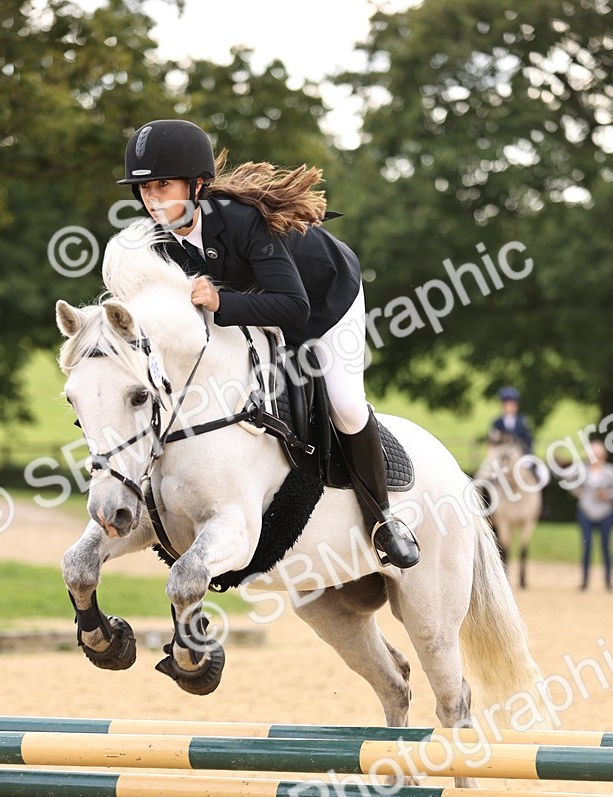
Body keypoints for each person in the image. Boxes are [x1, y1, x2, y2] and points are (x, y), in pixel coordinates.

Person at [117, 118, 419, 569]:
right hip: (256, 304)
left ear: (198, 185)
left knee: (346, 404)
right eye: (144, 189)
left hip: (325, 300)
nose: (152, 198)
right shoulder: (160, 243)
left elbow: (294, 306)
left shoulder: (242, 223)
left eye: (163, 184)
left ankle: (383, 520)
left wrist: (221, 301)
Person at [573, 439, 613, 592]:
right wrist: (578, 493)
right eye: (593, 453)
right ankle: (585, 580)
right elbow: (572, 484)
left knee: (606, 547)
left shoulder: (611, 471)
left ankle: (608, 581)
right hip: (586, 512)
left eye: (598, 453)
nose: (596, 456)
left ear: (604, 455)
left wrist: (607, 495)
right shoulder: (582, 470)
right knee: (587, 547)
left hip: (605, 513)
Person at [488, 387, 533, 453]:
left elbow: (528, 443)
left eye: (512, 405)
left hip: (519, 458)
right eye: (506, 405)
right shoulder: (497, 423)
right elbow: (492, 444)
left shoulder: (523, 422)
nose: (509, 408)